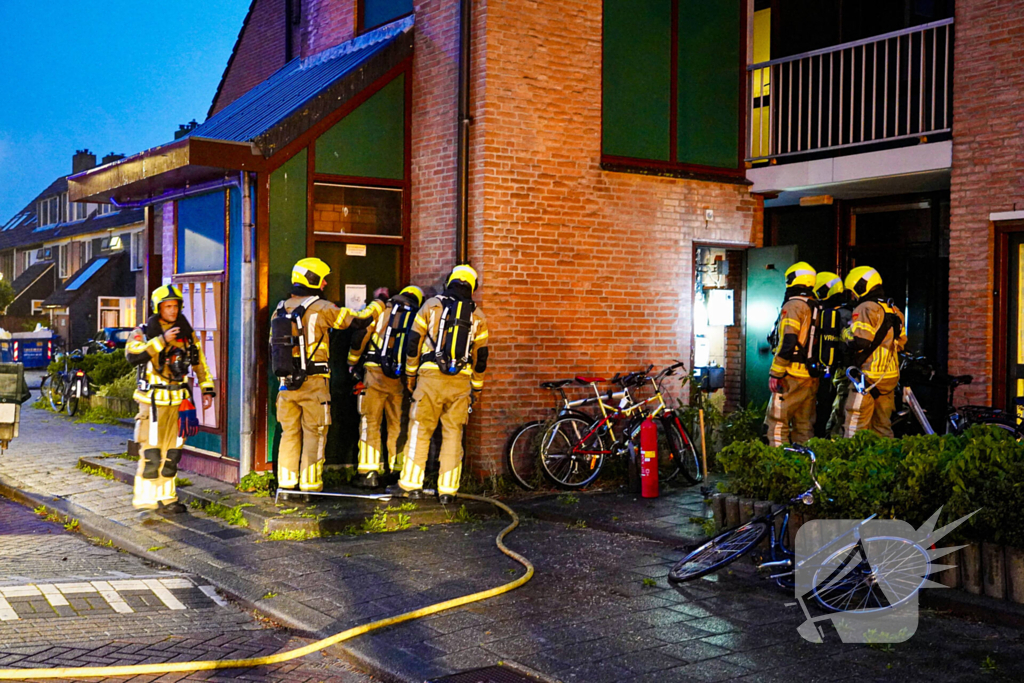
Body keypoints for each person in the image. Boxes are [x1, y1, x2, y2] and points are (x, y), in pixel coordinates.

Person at [272, 257, 381, 493]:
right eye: (322, 280)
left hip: (285, 385)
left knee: (289, 434)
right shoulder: (322, 308)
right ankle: (310, 487)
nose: (324, 285)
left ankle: (287, 486)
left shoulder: (280, 309)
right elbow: (360, 322)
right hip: (314, 384)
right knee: (315, 433)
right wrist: (379, 304)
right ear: (312, 280)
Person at [388, 265, 488, 504]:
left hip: (430, 379)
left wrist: (411, 376)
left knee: (420, 430)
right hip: (461, 382)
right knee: (453, 434)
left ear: (450, 282)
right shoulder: (478, 316)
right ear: (472, 287)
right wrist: (477, 387)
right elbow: (481, 358)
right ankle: (448, 491)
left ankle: (410, 485)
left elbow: (413, 342)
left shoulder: (431, 305)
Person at [125, 285, 215, 514]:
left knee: (173, 452)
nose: (173, 311)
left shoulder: (186, 333)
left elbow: (199, 361)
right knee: (152, 451)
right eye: (168, 306)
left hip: (178, 400)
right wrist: (162, 340)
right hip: (153, 401)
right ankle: (146, 497)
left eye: (176, 306)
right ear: (158, 308)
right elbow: (133, 354)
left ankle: (168, 497)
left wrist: (207, 389)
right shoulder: (144, 331)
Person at [348, 285, 425, 488]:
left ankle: (368, 472)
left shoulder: (383, 310)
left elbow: (360, 336)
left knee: (370, 422)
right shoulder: (417, 316)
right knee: (397, 423)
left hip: (374, 374)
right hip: (399, 378)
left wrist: (352, 361)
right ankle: (397, 469)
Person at [842, 266, 906, 438]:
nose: (853, 296)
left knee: (855, 429)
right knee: (883, 428)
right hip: (889, 378)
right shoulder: (894, 309)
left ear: (861, 287)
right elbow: (901, 343)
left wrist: (845, 333)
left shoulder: (866, 308)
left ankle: (853, 464)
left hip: (866, 378)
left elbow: (860, 341)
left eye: (853, 291)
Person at [765, 262, 819, 447]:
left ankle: (779, 466)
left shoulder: (794, 305)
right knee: (804, 426)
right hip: (810, 375)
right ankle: (804, 467)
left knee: (777, 423)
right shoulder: (816, 305)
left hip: (791, 375)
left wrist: (776, 372)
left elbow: (788, 341)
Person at [812, 272, 854, 437]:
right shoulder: (848, 312)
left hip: (835, 373)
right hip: (841, 372)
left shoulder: (824, 314)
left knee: (836, 416)